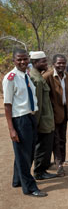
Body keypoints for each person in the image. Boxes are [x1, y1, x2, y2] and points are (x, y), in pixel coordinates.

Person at [3, 48, 47, 197]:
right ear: (13, 61)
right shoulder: (10, 78)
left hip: (30, 117)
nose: (22, 62)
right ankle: (30, 187)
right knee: (24, 154)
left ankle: (17, 180)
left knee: (25, 152)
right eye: (19, 60)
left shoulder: (26, 75)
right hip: (20, 119)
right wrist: (11, 129)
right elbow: (7, 105)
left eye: (24, 59)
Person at [43, 54, 68, 176]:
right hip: (52, 115)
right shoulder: (47, 77)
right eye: (59, 63)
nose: (61, 65)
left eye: (63, 63)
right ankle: (58, 164)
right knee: (55, 140)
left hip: (64, 114)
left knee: (62, 139)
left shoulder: (67, 77)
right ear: (53, 64)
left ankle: (61, 161)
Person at [29, 51, 57, 180]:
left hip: (47, 119)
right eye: (43, 61)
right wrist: (36, 124)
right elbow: (38, 105)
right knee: (42, 147)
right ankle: (39, 172)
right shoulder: (36, 79)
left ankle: (43, 167)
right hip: (43, 121)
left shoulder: (39, 76)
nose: (46, 64)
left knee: (46, 146)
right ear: (35, 63)